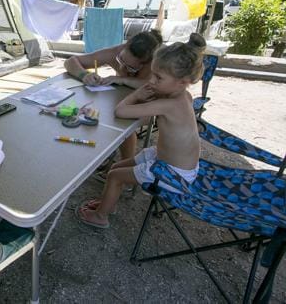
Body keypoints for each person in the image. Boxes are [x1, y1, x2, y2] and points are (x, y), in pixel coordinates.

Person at [75, 33, 206, 229]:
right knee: (115, 167)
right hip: (173, 161)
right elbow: (145, 88)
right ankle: (107, 204)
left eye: (158, 77)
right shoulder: (183, 95)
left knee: (114, 176)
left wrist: (136, 94)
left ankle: (101, 216)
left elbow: (121, 111)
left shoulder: (168, 104)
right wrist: (124, 81)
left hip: (174, 174)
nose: (151, 81)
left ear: (182, 81)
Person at [64, 29, 163, 161]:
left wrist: (123, 80)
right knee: (96, 117)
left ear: (145, 64)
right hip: (120, 99)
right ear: (124, 47)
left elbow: (156, 88)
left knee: (124, 127)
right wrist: (84, 75)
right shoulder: (115, 51)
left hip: (146, 103)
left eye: (130, 68)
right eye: (120, 60)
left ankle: (126, 164)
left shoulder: (156, 63)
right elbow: (70, 61)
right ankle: (106, 156)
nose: (122, 68)